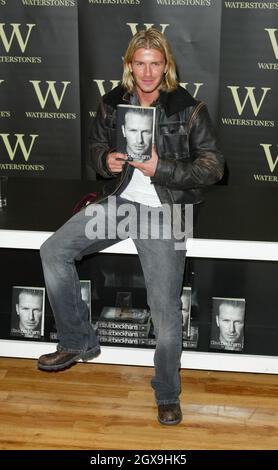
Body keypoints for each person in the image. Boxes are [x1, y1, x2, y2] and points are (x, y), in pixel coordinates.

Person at [38, 28, 224, 425]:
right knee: (53, 250)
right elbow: (94, 149)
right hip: (121, 202)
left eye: (155, 63)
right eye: (140, 63)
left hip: (164, 212)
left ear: (166, 66)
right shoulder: (112, 103)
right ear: (129, 65)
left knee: (165, 311)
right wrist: (106, 162)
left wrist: (162, 169)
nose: (147, 71)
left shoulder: (188, 108)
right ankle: (77, 341)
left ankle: (167, 393)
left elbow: (213, 167)